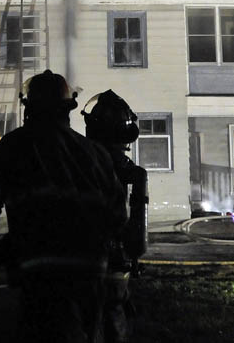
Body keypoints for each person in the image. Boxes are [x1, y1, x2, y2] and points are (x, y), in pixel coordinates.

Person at [0, 70, 127, 343]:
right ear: (68, 108)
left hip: (39, 276)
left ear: (28, 107)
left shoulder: (13, 147)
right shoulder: (96, 154)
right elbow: (118, 217)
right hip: (90, 274)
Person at [82, 90, 149, 343]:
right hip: (115, 257)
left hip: (88, 257)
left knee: (89, 322)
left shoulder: (81, 159)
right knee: (113, 318)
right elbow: (131, 229)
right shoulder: (127, 170)